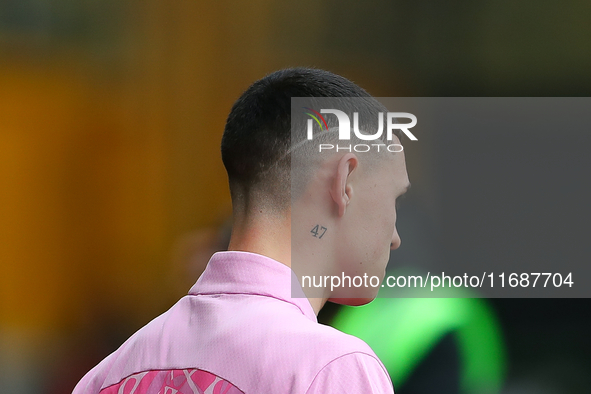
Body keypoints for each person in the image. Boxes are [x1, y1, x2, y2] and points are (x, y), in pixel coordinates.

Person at [72, 68, 410, 394]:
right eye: (392, 197)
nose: (395, 237)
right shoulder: (332, 368)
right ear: (345, 182)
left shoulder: (107, 375)